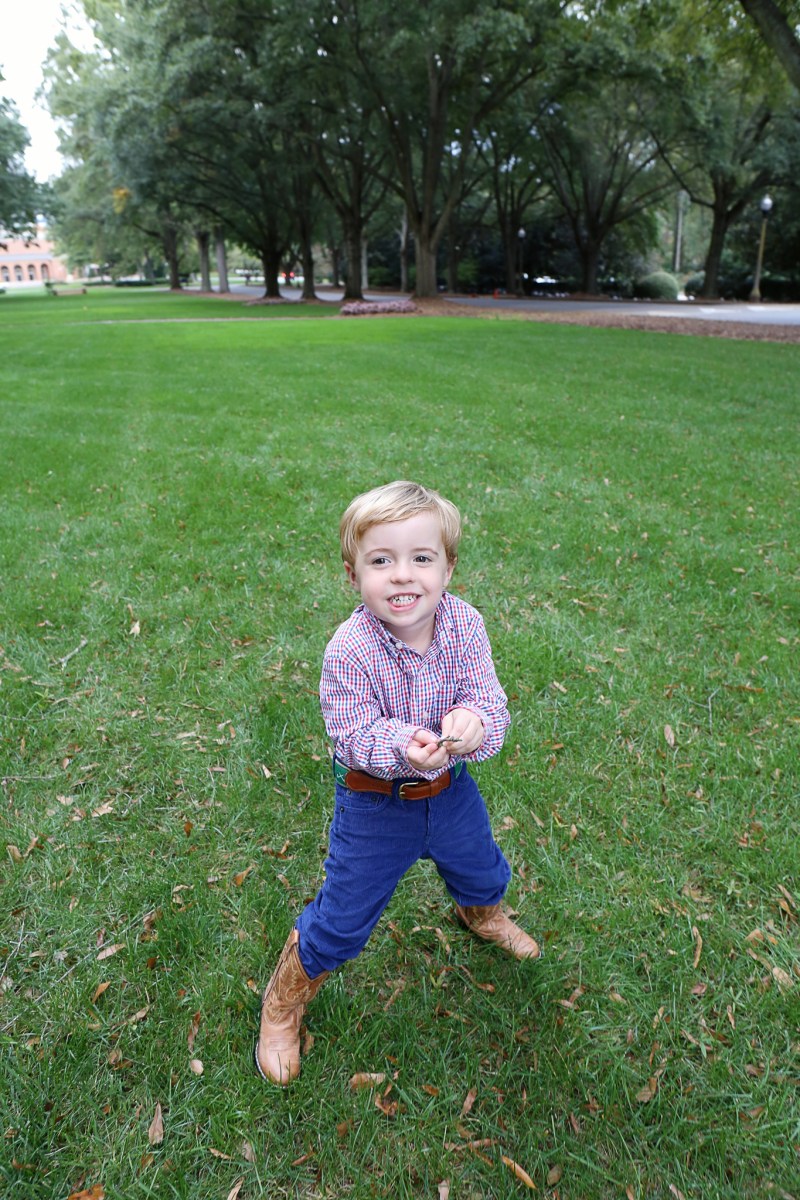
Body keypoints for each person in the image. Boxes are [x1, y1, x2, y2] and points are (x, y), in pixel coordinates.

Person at [255, 480, 540, 1086]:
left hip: (451, 791)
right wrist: (401, 748)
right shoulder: (350, 649)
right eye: (381, 561)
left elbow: (488, 701)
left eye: (421, 558)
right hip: (375, 805)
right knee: (342, 919)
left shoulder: (465, 626)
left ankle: (481, 914)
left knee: (482, 869)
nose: (403, 575)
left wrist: (474, 723)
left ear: (449, 567)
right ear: (353, 575)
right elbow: (351, 729)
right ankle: (283, 1003)